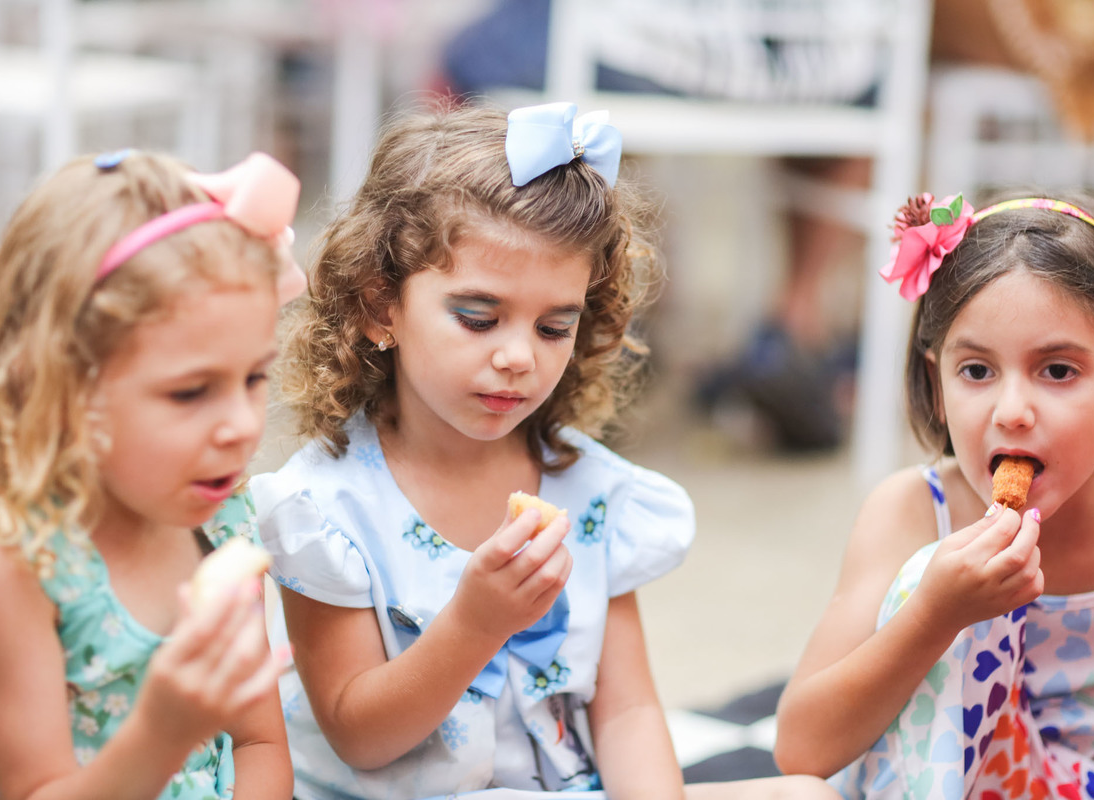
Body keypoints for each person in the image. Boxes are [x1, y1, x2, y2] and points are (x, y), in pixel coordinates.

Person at [251, 100, 838, 800]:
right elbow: (360, 735)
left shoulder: (589, 492)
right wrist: (473, 625)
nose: (519, 357)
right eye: (479, 318)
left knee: (807, 794)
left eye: (554, 327)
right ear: (382, 306)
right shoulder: (327, 508)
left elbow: (626, 713)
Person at [774, 190, 1094, 798]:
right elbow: (801, 749)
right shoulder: (911, 512)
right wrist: (935, 614)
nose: (1012, 411)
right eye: (977, 371)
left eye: (1058, 371)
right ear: (936, 386)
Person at [0, 148, 305, 799]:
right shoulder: (15, 564)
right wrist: (161, 733)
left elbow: (259, 743)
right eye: (190, 392)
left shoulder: (222, 525)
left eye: (253, 377)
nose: (240, 425)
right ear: (63, 384)